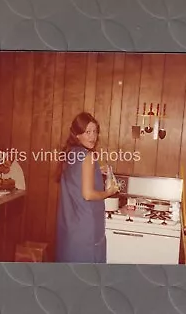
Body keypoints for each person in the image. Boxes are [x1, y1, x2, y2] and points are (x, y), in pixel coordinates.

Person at [55, 112, 119, 263]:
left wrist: (97, 171)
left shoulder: (70, 153)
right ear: (77, 134)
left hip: (70, 226)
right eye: (87, 132)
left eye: (95, 131)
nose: (92, 136)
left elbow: (75, 180)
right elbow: (88, 195)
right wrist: (109, 192)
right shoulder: (88, 156)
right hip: (86, 226)